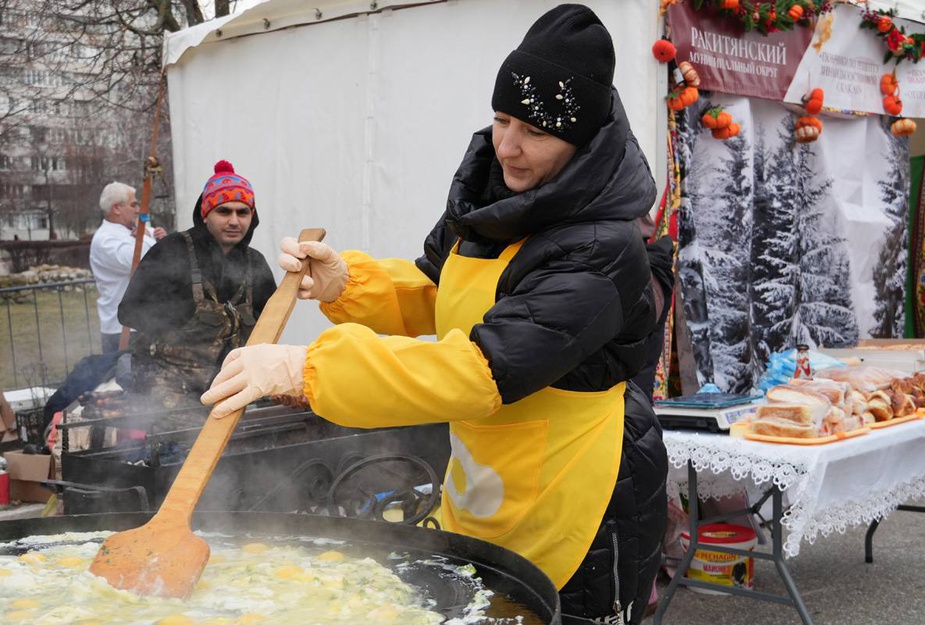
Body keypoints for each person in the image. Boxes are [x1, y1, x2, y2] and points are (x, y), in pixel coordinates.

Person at [202, 6, 665, 623]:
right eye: (501, 119)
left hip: (579, 494)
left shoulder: (604, 249)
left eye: (534, 130)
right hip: (482, 477)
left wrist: (307, 370)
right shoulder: (494, 198)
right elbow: (441, 291)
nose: (508, 145)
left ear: (582, 142)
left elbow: (479, 369)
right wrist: (350, 286)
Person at [118, 160, 276, 410]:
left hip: (227, 388)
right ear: (206, 214)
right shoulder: (172, 251)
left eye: (242, 212)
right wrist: (182, 313)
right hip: (167, 391)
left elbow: (270, 324)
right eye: (224, 211)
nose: (235, 221)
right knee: (184, 447)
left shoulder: (255, 263)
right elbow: (129, 311)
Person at [89, 182, 167, 353]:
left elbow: (164, 257)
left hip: (142, 324)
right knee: (124, 377)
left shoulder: (129, 230)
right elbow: (144, 262)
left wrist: (161, 239)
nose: (138, 209)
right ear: (117, 208)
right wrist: (147, 238)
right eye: (133, 204)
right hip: (123, 330)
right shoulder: (106, 240)